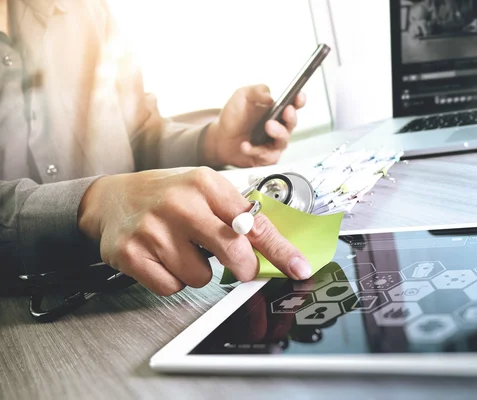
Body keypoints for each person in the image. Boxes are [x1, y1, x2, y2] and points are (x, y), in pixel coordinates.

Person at [0, 0, 313, 296]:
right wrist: (90, 203)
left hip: (129, 291)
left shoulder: (87, 10)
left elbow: (136, 133)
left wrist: (211, 142)